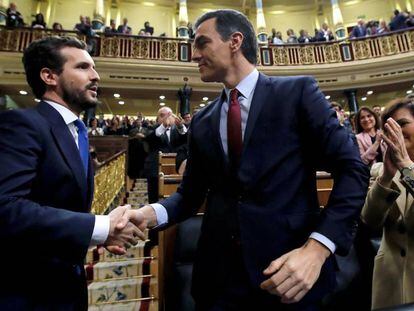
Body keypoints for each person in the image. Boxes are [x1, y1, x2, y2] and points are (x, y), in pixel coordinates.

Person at [135, 9, 369, 310]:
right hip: (219, 282)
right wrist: (150, 214)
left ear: (235, 41)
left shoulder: (296, 94)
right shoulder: (203, 121)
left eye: (202, 43)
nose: (193, 55)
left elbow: (353, 169)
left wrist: (318, 248)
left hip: (289, 274)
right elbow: (189, 196)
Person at [0, 36, 145, 310]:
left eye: (93, 67)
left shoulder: (76, 132)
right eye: (82, 67)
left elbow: (58, 206)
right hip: (25, 292)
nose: (95, 76)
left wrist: (96, 235)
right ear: (49, 76)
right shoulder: (22, 124)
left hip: (66, 285)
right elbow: (6, 208)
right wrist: (102, 227)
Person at [361, 97, 414, 310]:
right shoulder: (380, 171)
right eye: (389, 127)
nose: (396, 132)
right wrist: (386, 178)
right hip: (390, 282)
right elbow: (370, 220)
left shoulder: (406, 166)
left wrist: (407, 166)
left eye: (401, 124)